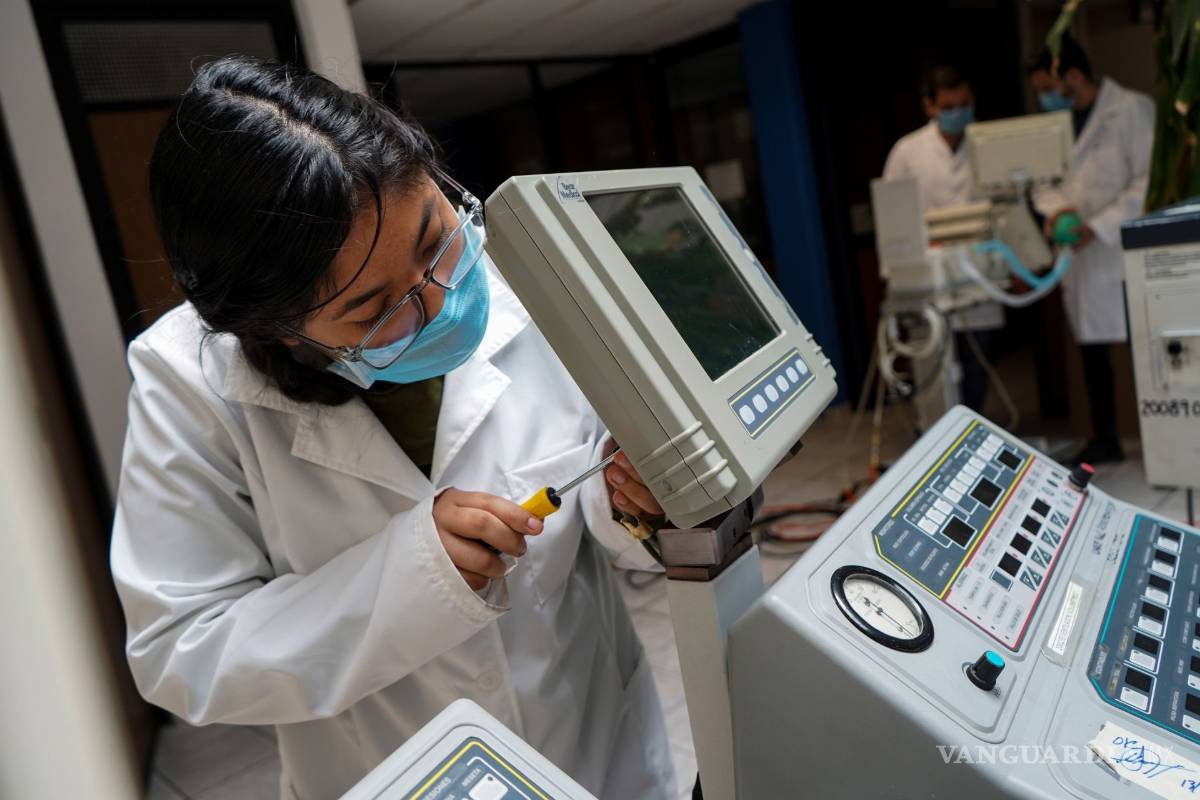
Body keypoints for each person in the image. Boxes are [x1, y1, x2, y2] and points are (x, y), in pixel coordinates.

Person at [111, 57, 676, 800]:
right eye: (376, 309)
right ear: (274, 328)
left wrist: (628, 498)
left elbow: (590, 484)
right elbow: (182, 654)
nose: (439, 302)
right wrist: (414, 576)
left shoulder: (524, 271)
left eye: (434, 241)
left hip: (597, 748)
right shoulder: (189, 381)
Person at [1028, 33, 1154, 464]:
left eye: (1048, 88)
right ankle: (1106, 439)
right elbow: (1040, 182)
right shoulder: (1053, 125)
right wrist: (1055, 211)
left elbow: (1145, 183)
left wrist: (1096, 228)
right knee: (1093, 355)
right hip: (1077, 256)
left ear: (1074, 76)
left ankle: (1162, 442)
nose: (1044, 99)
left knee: (1143, 353)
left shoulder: (1131, 109)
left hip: (1118, 249)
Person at [883, 65, 994, 414]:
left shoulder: (987, 143)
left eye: (963, 104)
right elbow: (892, 218)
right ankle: (936, 431)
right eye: (947, 107)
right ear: (929, 106)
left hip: (978, 272)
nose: (957, 113)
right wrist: (895, 277)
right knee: (934, 370)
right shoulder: (907, 151)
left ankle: (974, 425)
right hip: (928, 277)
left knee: (976, 366)